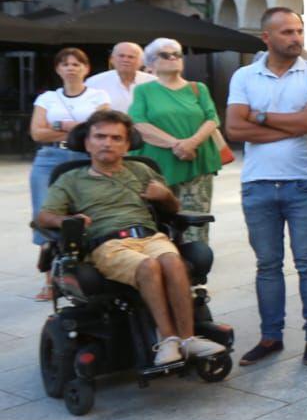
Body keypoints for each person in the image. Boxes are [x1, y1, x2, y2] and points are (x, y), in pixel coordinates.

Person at [36, 110, 227, 367]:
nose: (107, 143)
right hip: (108, 243)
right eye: (100, 136)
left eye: (116, 138)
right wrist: (66, 221)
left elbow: (173, 208)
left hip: (150, 236)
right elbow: (44, 216)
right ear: (87, 142)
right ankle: (168, 340)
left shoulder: (141, 170)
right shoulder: (70, 179)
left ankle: (188, 339)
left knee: (173, 261)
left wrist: (165, 196)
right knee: (148, 266)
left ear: (127, 145)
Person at [225, 8, 307, 367]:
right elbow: (234, 129)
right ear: (266, 37)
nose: (296, 37)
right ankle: (270, 337)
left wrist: (258, 117)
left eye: (299, 30)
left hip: (304, 181)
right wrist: (294, 124)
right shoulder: (245, 76)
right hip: (257, 184)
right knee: (267, 265)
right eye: (287, 32)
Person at [29, 47, 111, 299]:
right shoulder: (47, 98)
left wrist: (58, 126)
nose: (71, 68)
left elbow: (100, 128)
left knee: (89, 212)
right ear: (58, 69)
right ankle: (50, 280)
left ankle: (88, 274)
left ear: (86, 69)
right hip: (50, 158)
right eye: (65, 64)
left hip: (86, 157)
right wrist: (77, 128)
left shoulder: (98, 96)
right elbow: (37, 133)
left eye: (77, 64)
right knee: (46, 214)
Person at [129, 37, 223, 244]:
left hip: (196, 164)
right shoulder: (143, 90)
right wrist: (176, 145)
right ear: (151, 63)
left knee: (195, 227)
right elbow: (138, 122)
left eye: (177, 54)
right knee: (156, 224)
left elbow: (212, 118)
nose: (173, 58)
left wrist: (192, 143)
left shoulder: (198, 88)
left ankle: (194, 261)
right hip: (157, 167)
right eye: (165, 55)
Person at [85, 41, 155, 112]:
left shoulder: (153, 82)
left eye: (131, 57)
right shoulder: (94, 82)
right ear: (112, 59)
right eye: (121, 56)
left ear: (142, 62)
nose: (125, 60)